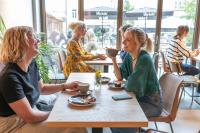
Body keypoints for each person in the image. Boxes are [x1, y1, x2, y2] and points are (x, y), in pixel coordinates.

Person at [0, 26, 87, 133]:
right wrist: (59, 115)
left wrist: (65, 86)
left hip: (30, 112)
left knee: (68, 106)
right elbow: (30, 117)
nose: (38, 40)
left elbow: (42, 88)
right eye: (33, 37)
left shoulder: (31, 63)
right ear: (21, 43)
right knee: (75, 126)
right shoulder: (9, 78)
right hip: (14, 124)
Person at [108, 27, 162, 133]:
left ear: (137, 43)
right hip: (138, 99)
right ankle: (137, 130)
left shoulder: (144, 59)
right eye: (124, 38)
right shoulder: (129, 56)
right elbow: (119, 77)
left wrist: (125, 83)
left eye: (128, 39)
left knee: (121, 120)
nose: (123, 41)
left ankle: (136, 129)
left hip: (151, 103)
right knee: (113, 115)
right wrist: (113, 58)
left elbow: (132, 86)